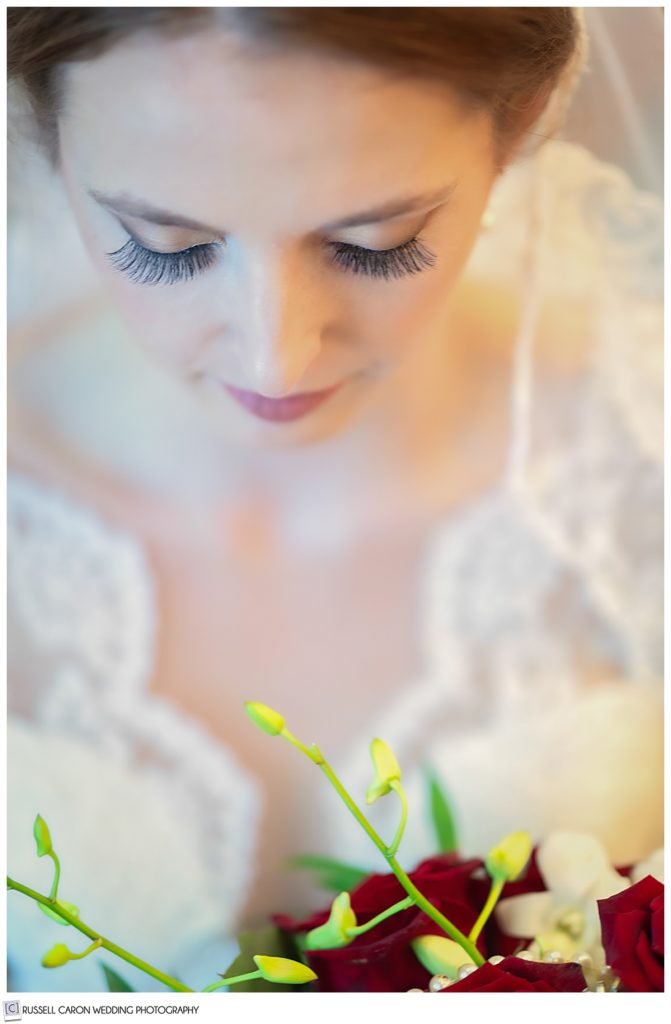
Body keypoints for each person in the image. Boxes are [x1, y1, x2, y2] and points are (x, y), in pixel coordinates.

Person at [6, 7, 663, 993]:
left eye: (376, 242)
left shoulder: (636, 449)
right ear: (45, 133)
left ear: (520, 120)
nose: (276, 353)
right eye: (166, 245)